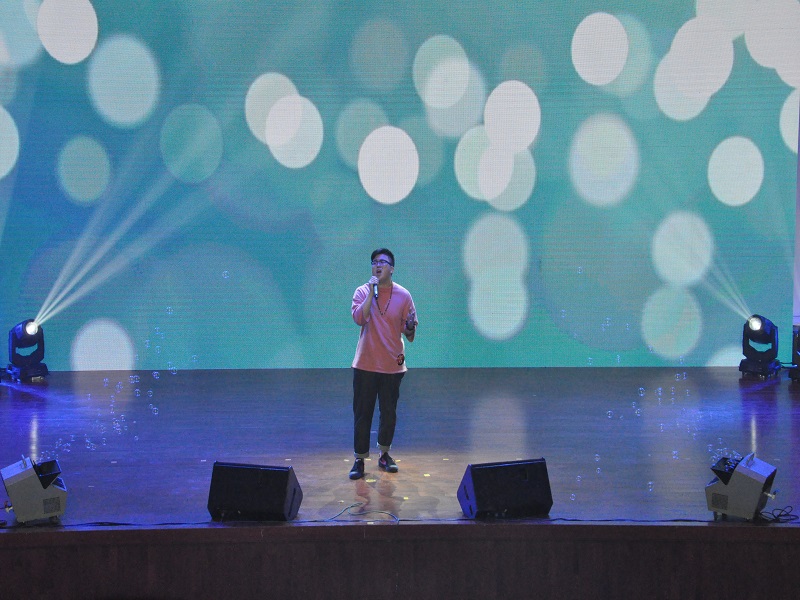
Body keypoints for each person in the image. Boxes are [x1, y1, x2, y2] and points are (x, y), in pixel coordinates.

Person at [349, 248, 418, 480]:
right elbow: (359, 318)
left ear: (392, 268)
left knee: (388, 413)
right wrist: (371, 292)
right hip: (365, 363)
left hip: (392, 365)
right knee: (362, 413)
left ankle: (384, 455)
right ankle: (359, 459)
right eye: (374, 262)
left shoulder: (404, 295)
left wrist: (410, 326)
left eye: (382, 262)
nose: (377, 266)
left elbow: (409, 334)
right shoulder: (362, 291)